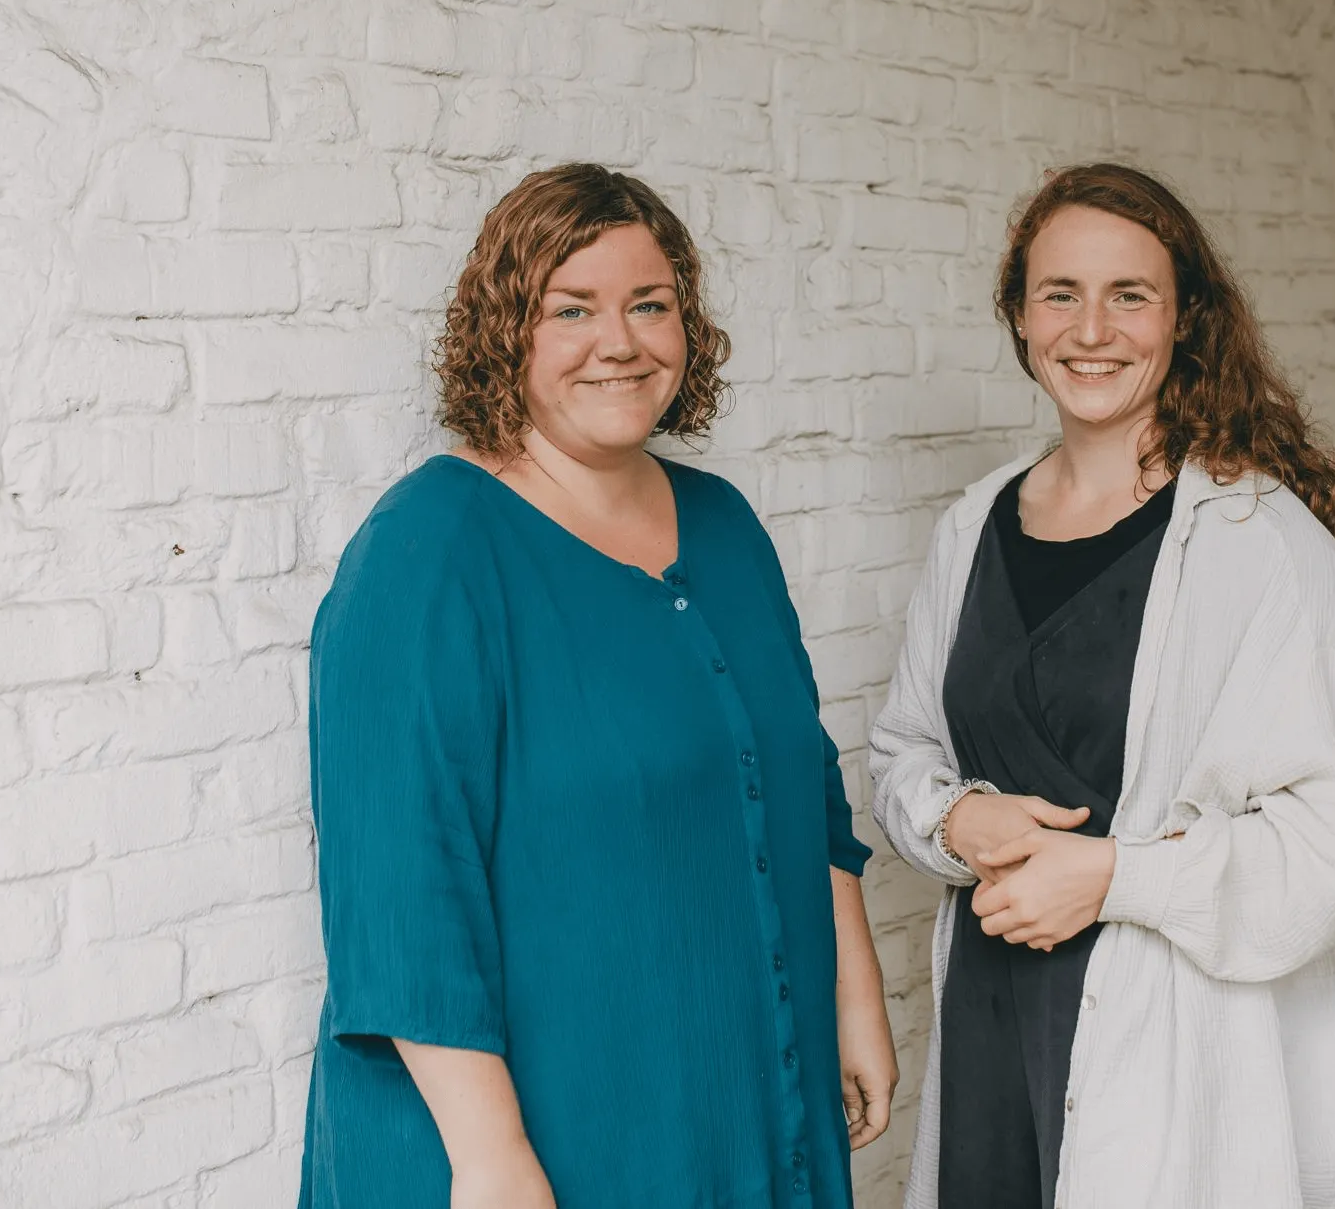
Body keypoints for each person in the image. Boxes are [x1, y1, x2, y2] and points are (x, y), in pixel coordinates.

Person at [297, 163, 896, 1209]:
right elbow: (398, 891)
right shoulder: (427, 552)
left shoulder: (724, 527)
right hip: (536, 1125)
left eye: (648, 306)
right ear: (504, 333)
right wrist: (491, 1160)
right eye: (570, 310)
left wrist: (854, 1000)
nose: (618, 342)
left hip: (734, 1090)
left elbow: (805, 787)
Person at [868, 163, 1335, 1209]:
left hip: (1170, 1042)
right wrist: (954, 818)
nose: (1090, 329)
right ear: (1018, 319)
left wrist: (1115, 878)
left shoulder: (1261, 546)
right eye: (1058, 294)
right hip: (992, 1016)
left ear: (1182, 321)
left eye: (1129, 296)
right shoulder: (970, 526)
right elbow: (903, 751)